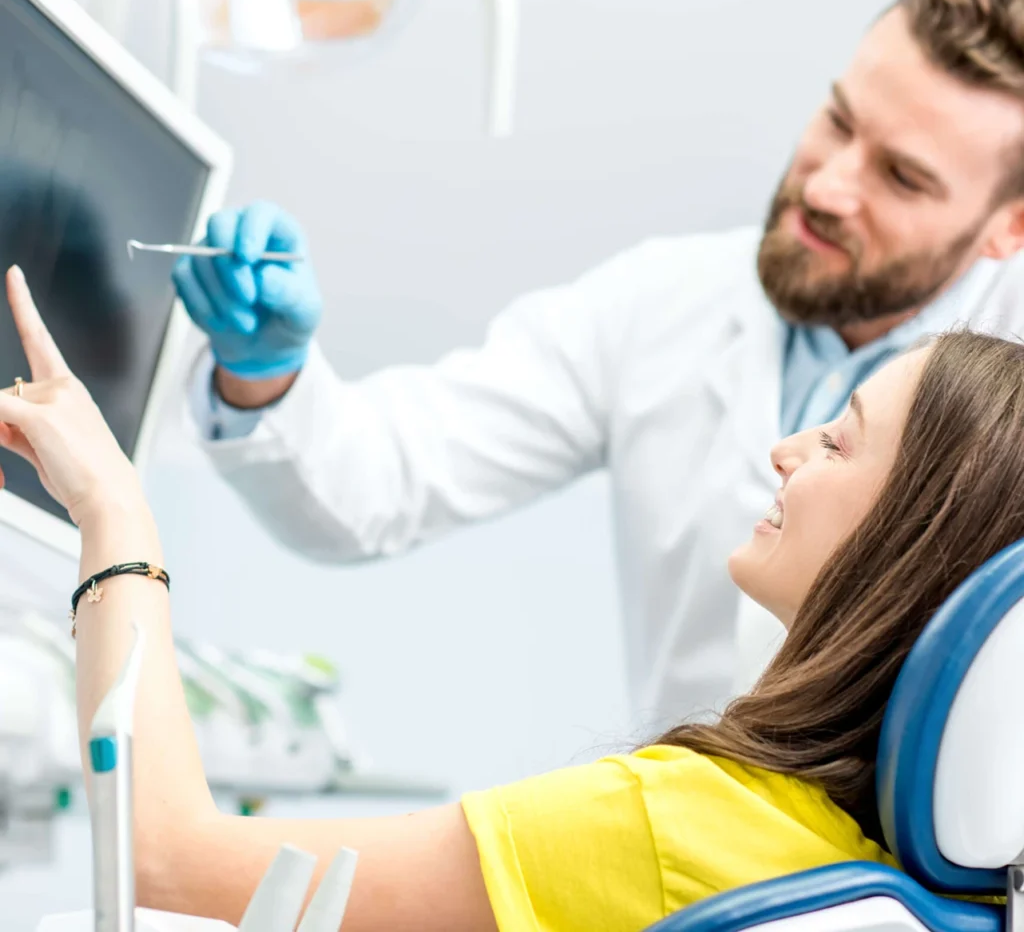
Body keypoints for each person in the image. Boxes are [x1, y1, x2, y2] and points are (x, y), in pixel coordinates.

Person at [175, 0, 1024, 729]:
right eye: (838, 122)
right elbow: (379, 485)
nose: (830, 187)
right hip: (679, 861)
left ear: (1008, 227)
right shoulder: (666, 302)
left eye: (903, 178)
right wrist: (268, 375)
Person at [2, 267, 1021, 930]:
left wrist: (112, 505)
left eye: (836, 438)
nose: (784, 450)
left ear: (910, 547)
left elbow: (164, 857)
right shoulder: (948, 895)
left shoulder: (674, 821)